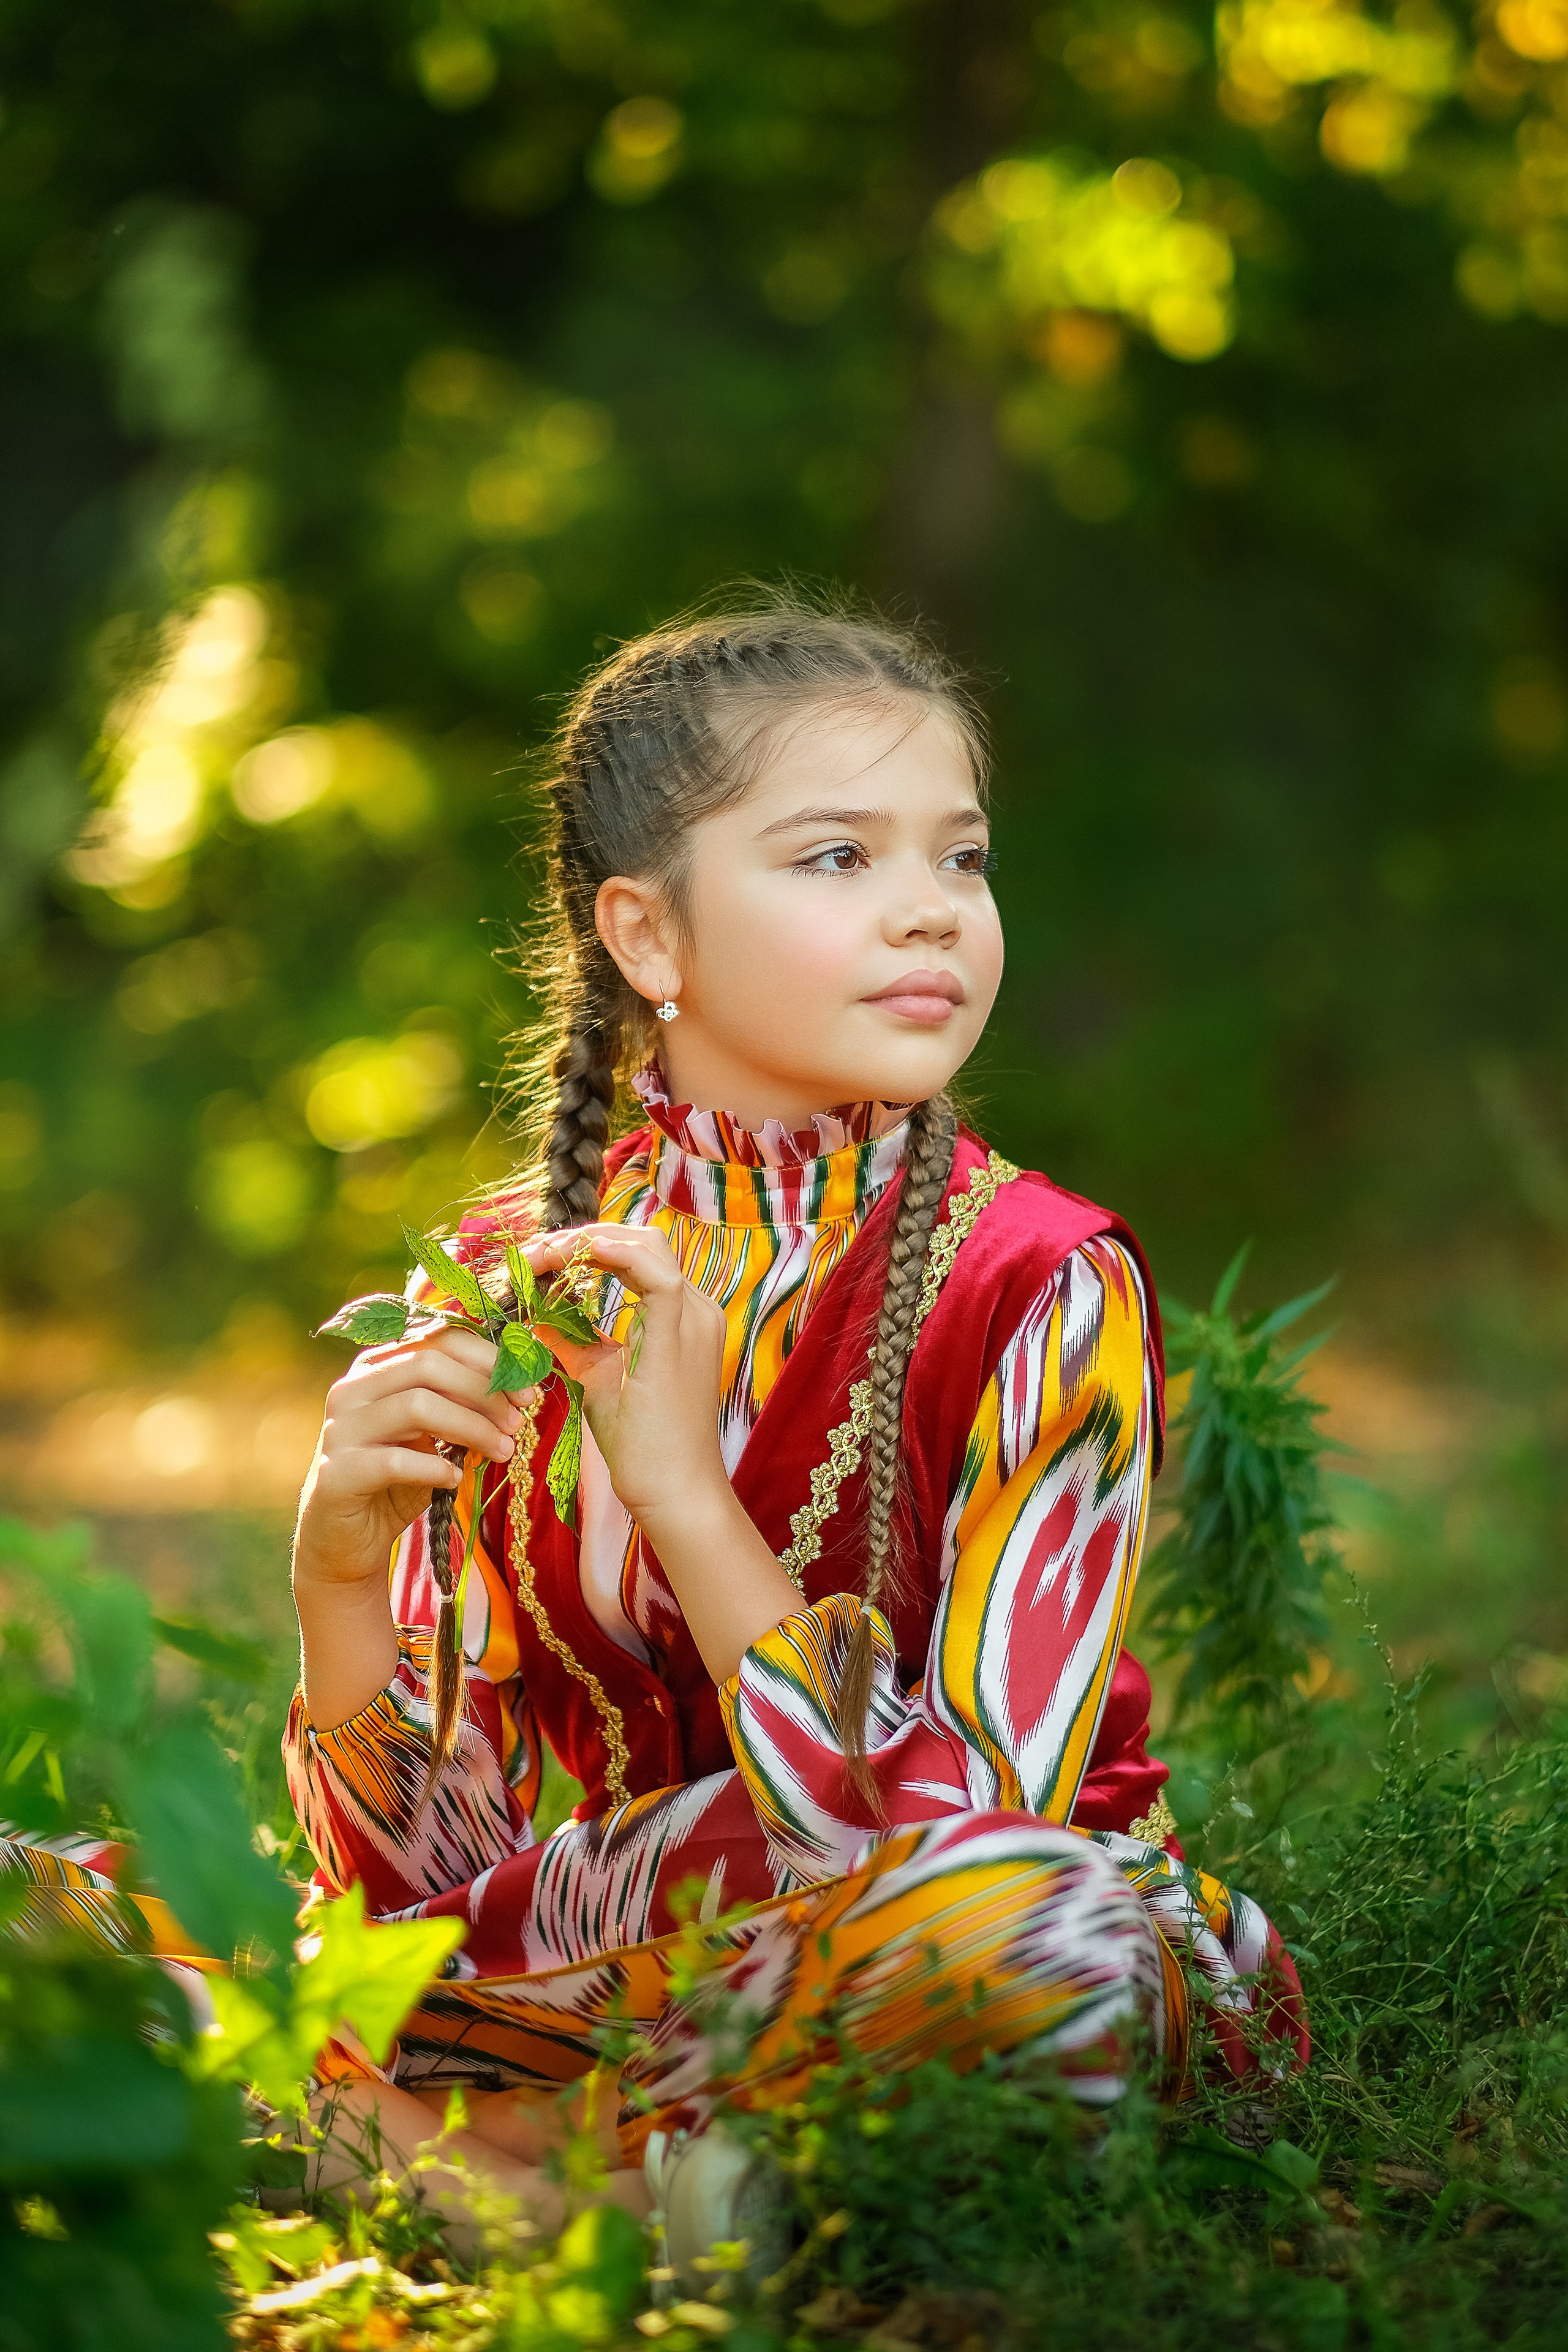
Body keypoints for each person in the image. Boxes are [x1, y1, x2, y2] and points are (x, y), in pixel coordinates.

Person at [4, 597, 1305, 2261]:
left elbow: (972, 1827)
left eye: (962, 860)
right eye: (839, 858)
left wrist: (688, 1500)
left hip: (907, 1963)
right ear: (648, 936)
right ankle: (514, 2175)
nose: (930, 912)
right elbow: (412, 1900)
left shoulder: (1039, 1284)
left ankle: (392, 2147)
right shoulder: (504, 1283)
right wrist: (336, 1579)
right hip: (550, 1984)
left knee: (1047, 1940)